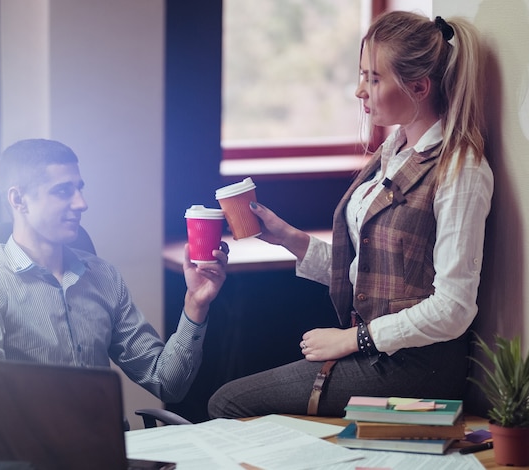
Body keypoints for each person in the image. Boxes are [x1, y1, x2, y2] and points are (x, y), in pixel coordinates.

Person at [208, 11, 494, 418]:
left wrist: (353, 339)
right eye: (362, 75)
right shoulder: (394, 152)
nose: (360, 90)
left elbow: (453, 309)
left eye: (374, 79)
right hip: (380, 351)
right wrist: (289, 237)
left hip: (417, 366)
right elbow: (370, 271)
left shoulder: (461, 169)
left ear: (418, 86)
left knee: (227, 402)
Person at [0, 138, 229, 404]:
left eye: (79, 188)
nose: (82, 203)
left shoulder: (102, 276)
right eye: (63, 191)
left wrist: (195, 304)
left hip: (106, 448)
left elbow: (168, 384)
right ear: (18, 200)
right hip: (30, 449)